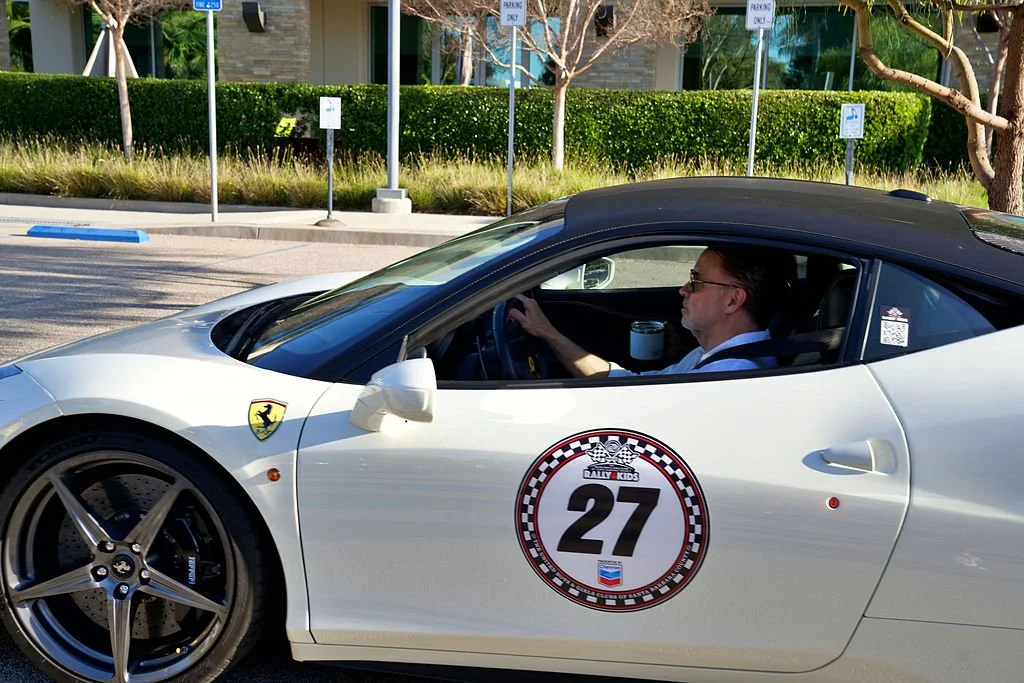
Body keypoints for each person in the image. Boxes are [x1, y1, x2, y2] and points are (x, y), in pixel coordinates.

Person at [508, 246, 791, 378]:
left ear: (733, 301)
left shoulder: (725, 376)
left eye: (696, 281)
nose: (683, 289)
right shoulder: (712, 357)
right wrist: (546, 332)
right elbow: (630, 385)